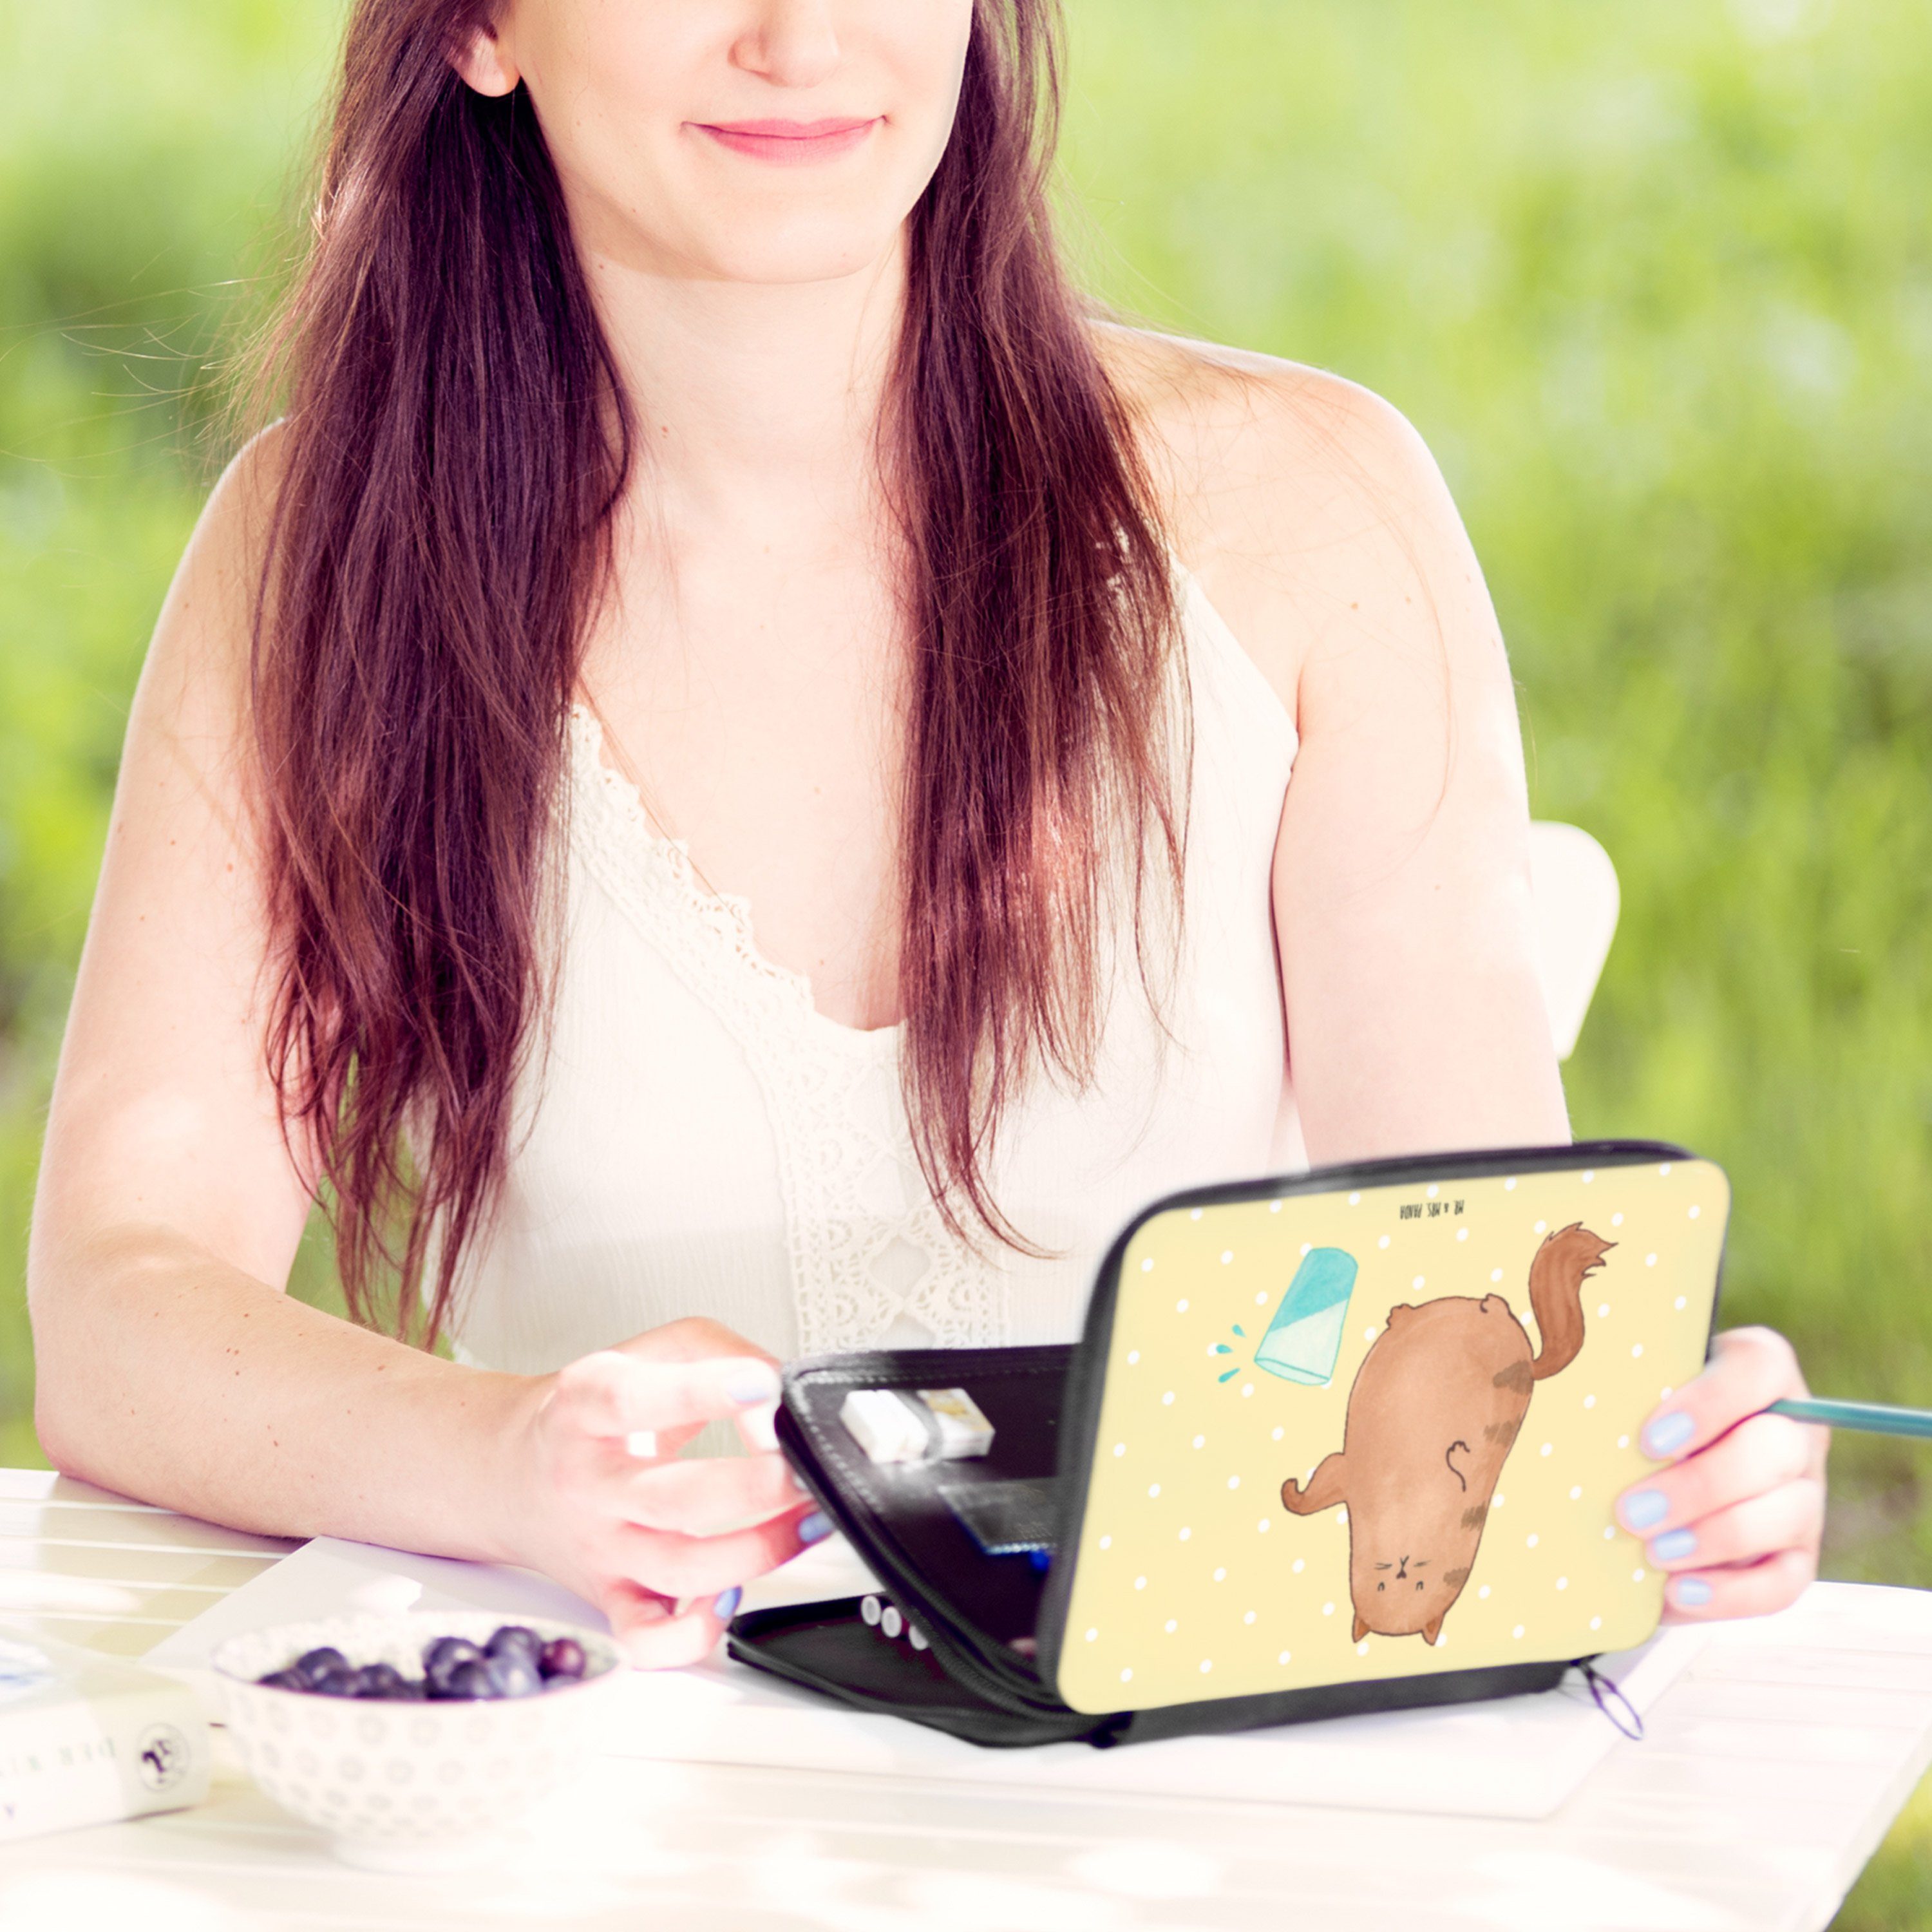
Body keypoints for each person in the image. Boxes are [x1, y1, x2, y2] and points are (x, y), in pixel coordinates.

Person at [26, 0, 1825, 1667]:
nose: (799, 38)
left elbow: (1483, 1302)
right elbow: (118, 1314)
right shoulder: (331, 557)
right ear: (483, 25)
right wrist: (506, 1453)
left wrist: (1668, 1471)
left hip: (1209, 1781)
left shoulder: (1306, 523)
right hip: (604, 1790)